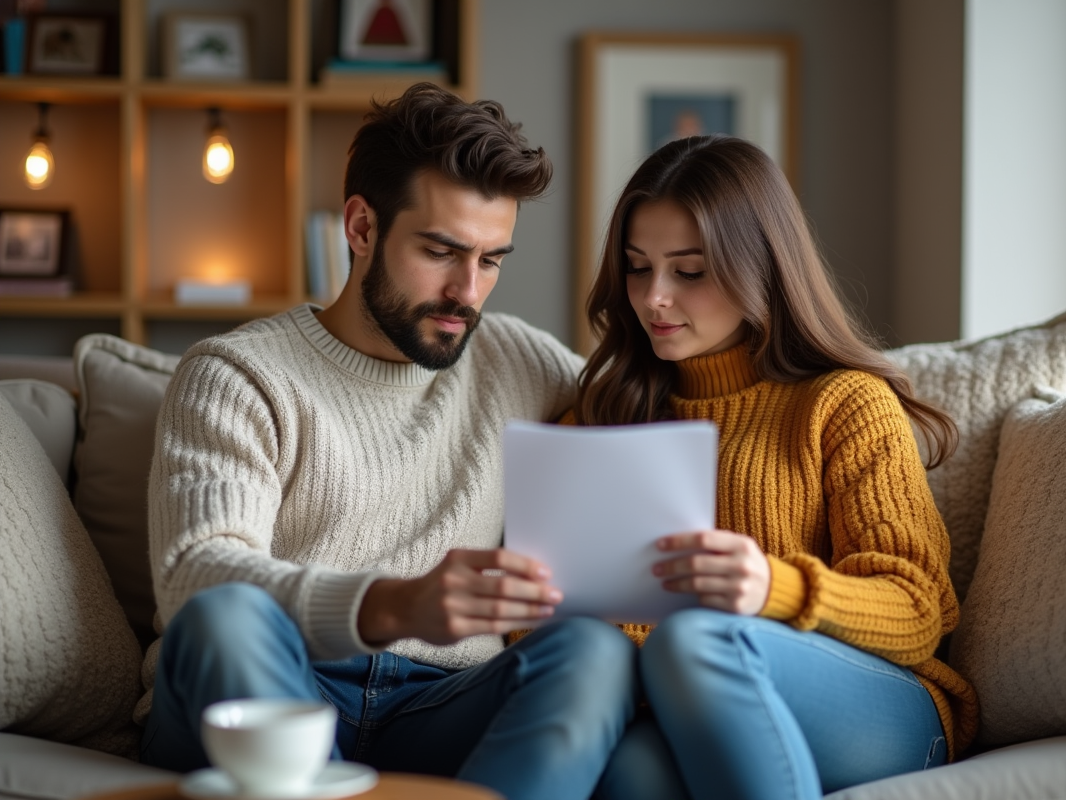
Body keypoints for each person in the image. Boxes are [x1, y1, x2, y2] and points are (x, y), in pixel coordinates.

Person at [137, 83, 635, 800]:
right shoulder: (237, 374)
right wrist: (394, 605)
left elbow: (662, 417)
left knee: (591, 651)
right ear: (362, 228)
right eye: (441, 250)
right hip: (276, 688)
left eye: (492, 260)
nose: (468, 290)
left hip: (439, 708)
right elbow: (196, 579)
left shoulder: (521, 360)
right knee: (227, 615)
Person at [575, 135, 979, 800]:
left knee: (699, 641)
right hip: (674, 699)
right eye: (638, 267)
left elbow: (917, 610)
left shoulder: (844, 403)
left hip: (882, 704)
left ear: (757, 266)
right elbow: (560, 612)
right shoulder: (603, 414)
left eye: (690, 271)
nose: (654, 298)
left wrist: (771, 587)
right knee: (628, 775)